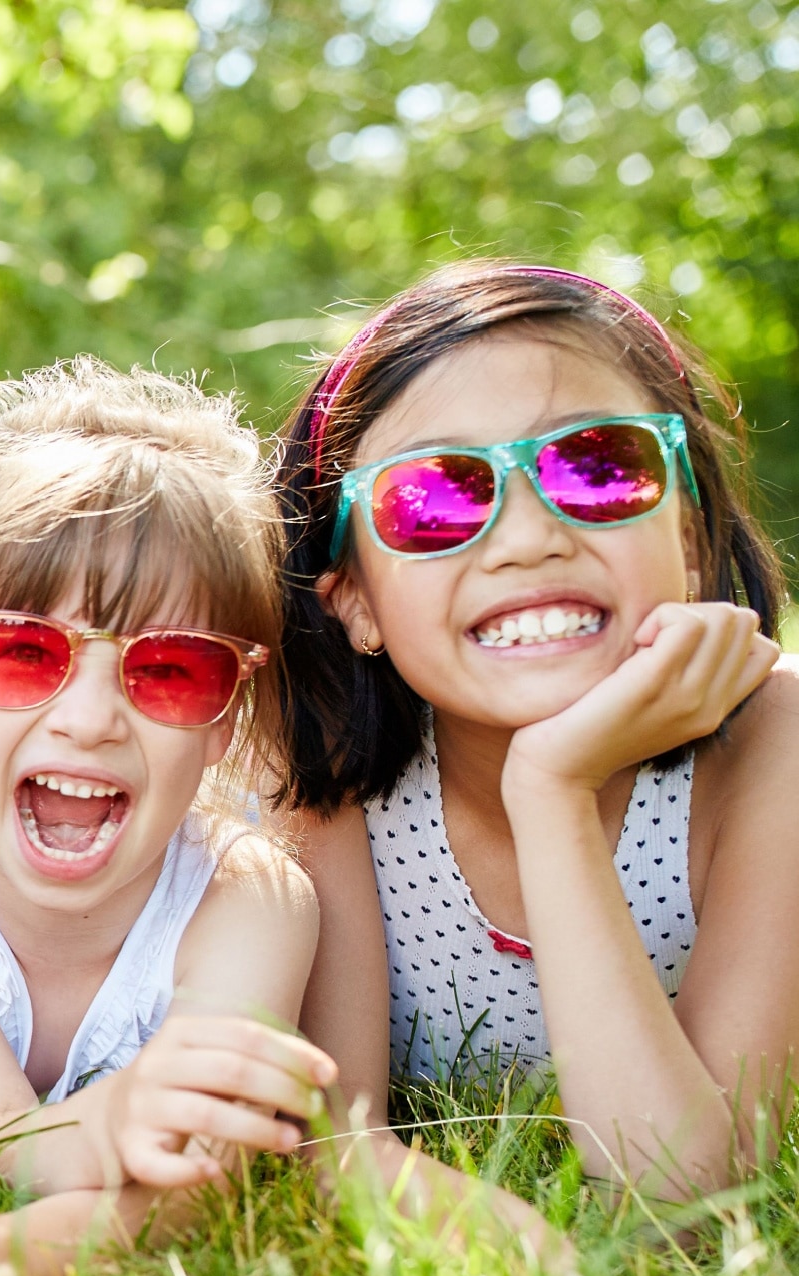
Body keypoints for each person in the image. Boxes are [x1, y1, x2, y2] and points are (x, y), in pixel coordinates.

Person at [275, 261, 795, 1202]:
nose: (525, 538)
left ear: (686, 533)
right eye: (433, 498)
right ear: (354, 602)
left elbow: (686, 1195)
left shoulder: (773, 745)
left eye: (596, 465)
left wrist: (550, 789)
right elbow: (337, 1146)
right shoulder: (329, 778)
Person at [0, 360, 334, 1276]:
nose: (92, 719)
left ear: (227, 721)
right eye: (23, 651)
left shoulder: (252, 904)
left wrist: (19, 1249)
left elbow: (202, 1181)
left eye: (173, 669)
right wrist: (118, 1114)